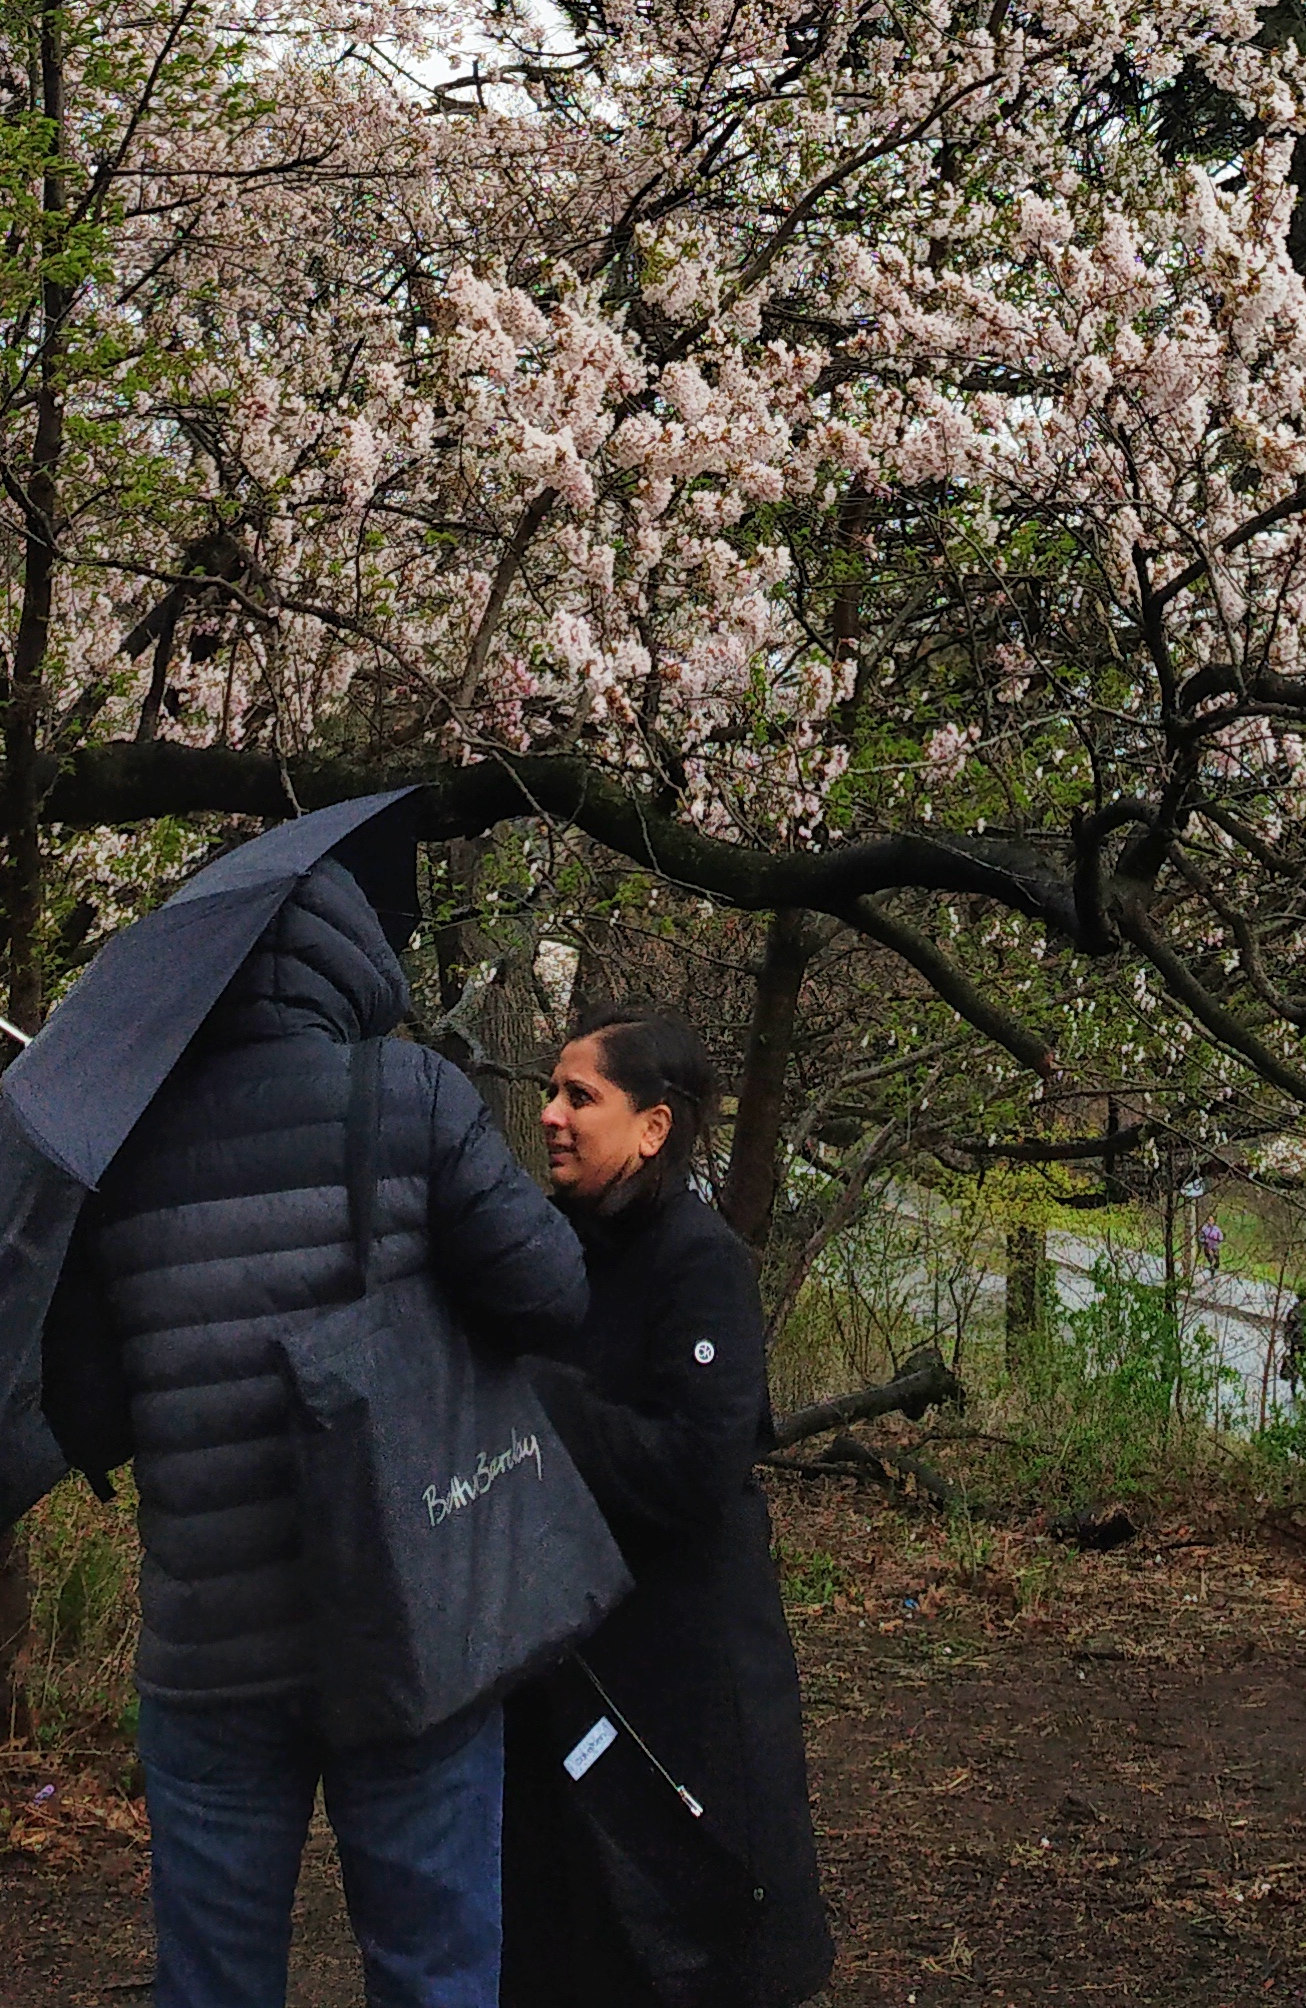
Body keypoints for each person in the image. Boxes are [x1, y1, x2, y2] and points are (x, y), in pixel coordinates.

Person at [89, 854, 588, 2008]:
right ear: (356, 962)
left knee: (210, 1983)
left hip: (210, 1641)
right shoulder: (410, 1093)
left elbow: (86, 1408)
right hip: (409, 1617)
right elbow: (551, 1293)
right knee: (433, 1972)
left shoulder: (120, 1139)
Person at [502, 1009, 834, 2008]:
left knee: (694, 1926)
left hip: (686, 1662)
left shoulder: (701, 1261)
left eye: (580, 1097)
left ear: (653, 1126)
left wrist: (547, 1401)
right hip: (567, 1648)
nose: (552, 1116)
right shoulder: (549, 1246)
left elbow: (698, 1463)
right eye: (552, 1092)